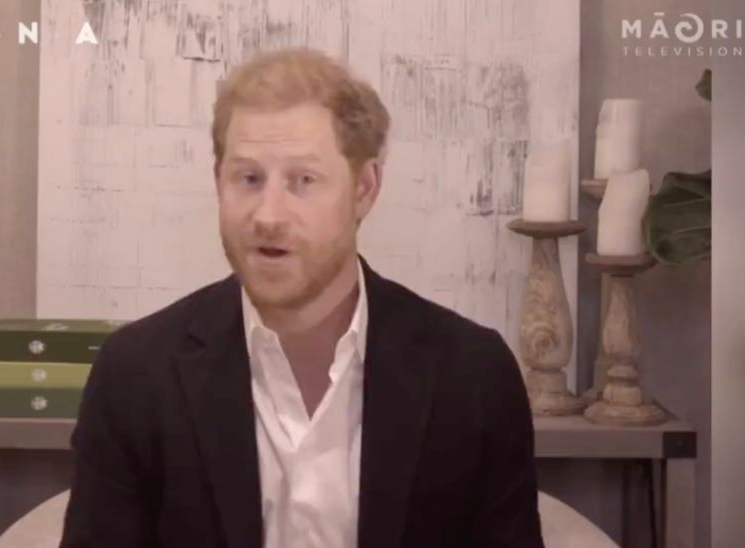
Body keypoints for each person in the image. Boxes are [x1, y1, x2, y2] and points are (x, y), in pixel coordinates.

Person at [60, 48, 544, 548]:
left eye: (303, 181)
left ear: (365, 188)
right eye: (248, 179)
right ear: (217, 181)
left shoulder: (473, 376)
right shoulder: (134, 375)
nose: (268, 215)